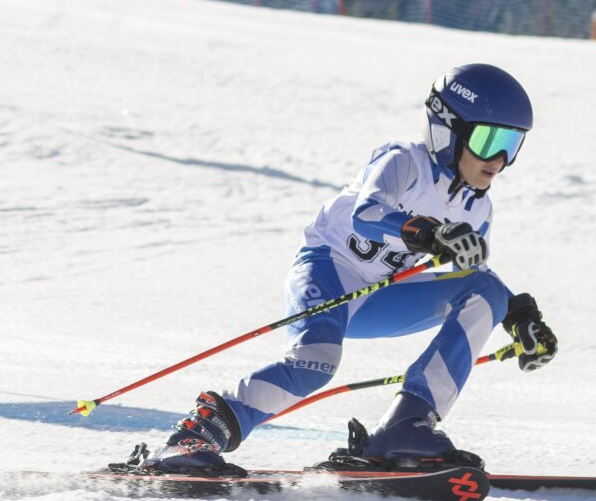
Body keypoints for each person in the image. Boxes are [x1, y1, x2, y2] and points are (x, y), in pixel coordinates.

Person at [142, 63, 558, 473]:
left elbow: (473, 272)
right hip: (328, 272)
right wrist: (430, 233)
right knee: (314, 364)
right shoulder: (404, 162)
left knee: (485, 292)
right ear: (449, 130)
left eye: (512, 143)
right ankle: (194, 437)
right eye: (489, 140)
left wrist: (517, 315)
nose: (500, 159)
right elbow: (368, 214)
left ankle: (405, 426)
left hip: (377, 298)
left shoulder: (478, 208)